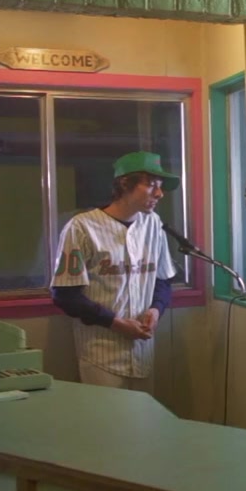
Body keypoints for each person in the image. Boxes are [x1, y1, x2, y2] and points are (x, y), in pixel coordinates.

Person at [50, 151, 179, 393]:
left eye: (160, 186)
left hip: (143, 350)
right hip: (101, 352)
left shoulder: (153, 224)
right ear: (125, 184)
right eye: (151, 185)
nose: (159, 193)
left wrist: (156, 309)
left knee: (144, 416)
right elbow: (65, 295)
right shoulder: (82, 227)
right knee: (106, 417)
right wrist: (114, 323)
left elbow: (162, 280)